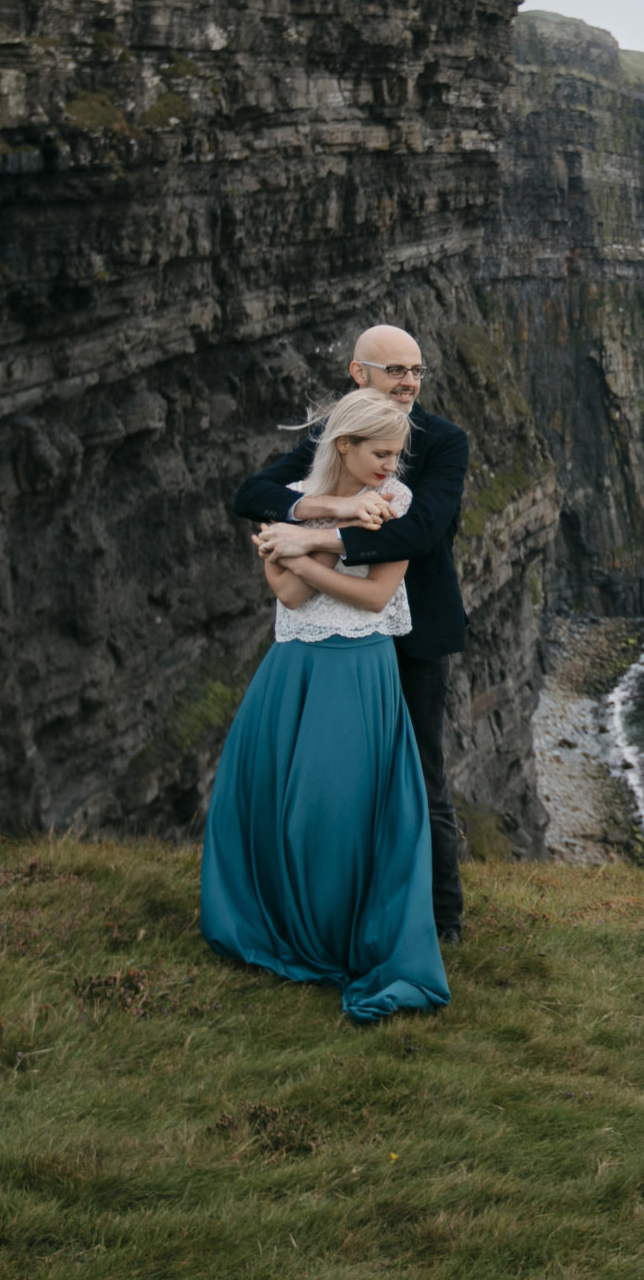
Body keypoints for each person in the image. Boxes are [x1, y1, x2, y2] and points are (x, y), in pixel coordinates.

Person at [200, 388, 449, 1019]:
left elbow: (373, 598)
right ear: (346, 445)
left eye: (396, 454)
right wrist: (308, 538)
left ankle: (341, 936)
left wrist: (305, 547)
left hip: (361, 671)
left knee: (339, 812)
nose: (391, 466)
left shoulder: (397, 503)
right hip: (296, 667)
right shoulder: (295, 498)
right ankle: (288, 926)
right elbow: (285, 594)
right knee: (275, 804)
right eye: (381, 453)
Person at [232, 324, 472, 945]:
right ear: (358, 373)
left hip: (410, 633)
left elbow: (418, 532)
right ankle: (346, 908)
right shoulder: (328, 438)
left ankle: (442, 921)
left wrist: (309, 541)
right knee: (338, 781)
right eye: (396, 370)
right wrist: (328, 511)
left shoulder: (444, 442)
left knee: (420, 776)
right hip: (336, 644)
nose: (410, 382)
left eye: (417, 369)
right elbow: (253, 494)